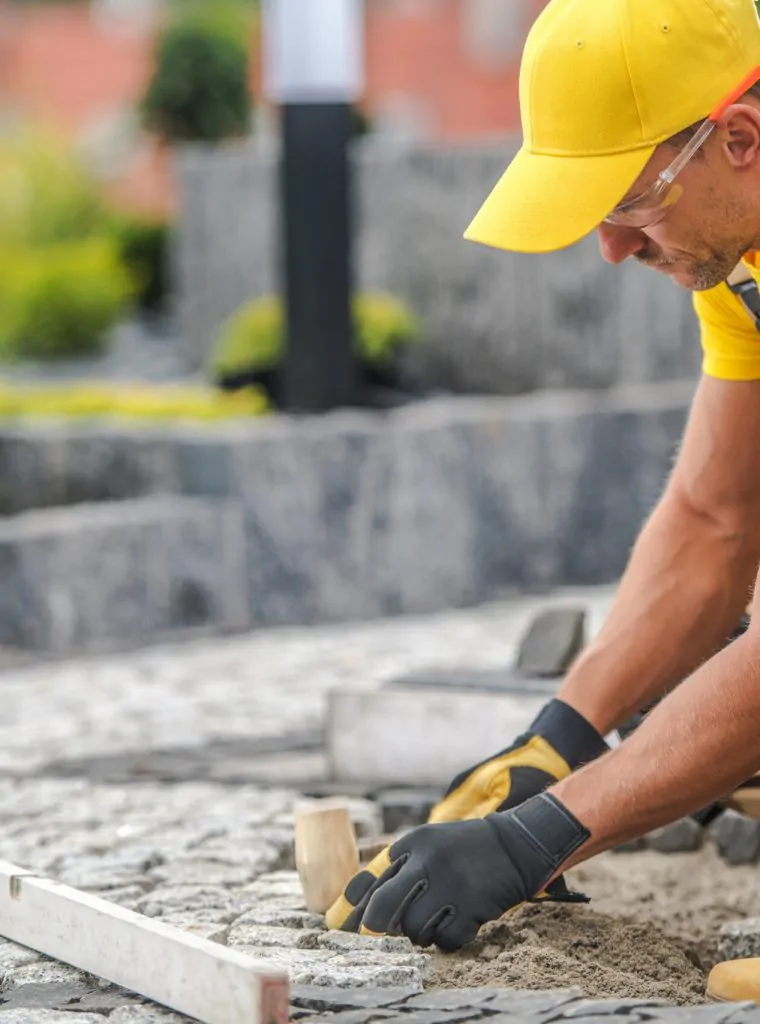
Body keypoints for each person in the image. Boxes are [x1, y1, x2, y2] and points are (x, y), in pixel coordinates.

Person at [325, 0, 760, 1003]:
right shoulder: (734, 246)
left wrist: (546, 830)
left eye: (627, 203)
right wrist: (562, 734)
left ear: (738, 137)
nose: (608, 248)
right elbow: (713, 516)